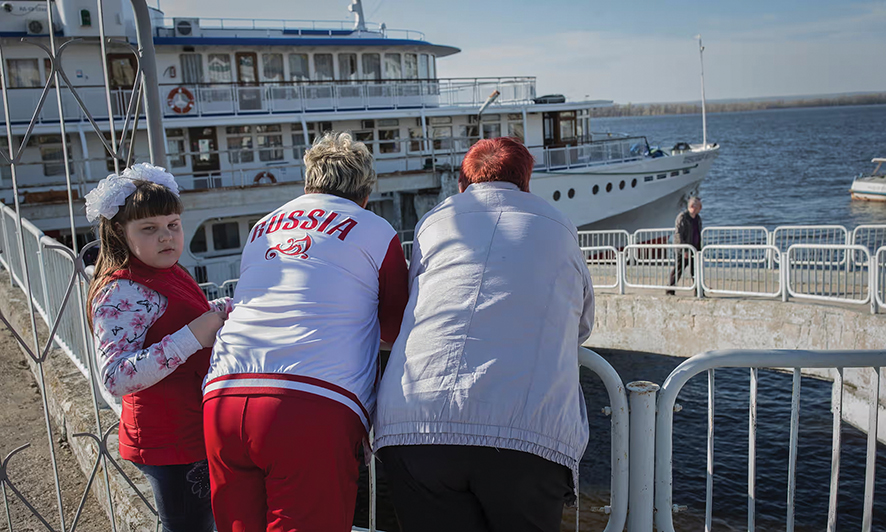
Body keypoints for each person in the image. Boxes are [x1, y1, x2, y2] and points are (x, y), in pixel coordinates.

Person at [374, 137, 595, 532]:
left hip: (415, 425)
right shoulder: (558, 224)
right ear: (526, 182)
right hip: (525, 431)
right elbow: (583, 323)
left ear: (463, 183)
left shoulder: (435, 222)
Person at [203, 131, 409, 532]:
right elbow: (395, 325)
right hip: (310, 401)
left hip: (223, 395)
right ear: (365, 192)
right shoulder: (376, 229)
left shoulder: (262, 226)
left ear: (308, 183)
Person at [85, 163, 230, 532]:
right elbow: (115, 376)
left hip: (185, 430)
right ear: (119, 232)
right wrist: (194, 336)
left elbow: (184, 318)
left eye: (173, 225)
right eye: (149, 229)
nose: (166, 237)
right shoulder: (120, 291)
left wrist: (223, 310)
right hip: (169, 440)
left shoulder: (163, 271)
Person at [666, 196, 703, 295]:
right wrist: (683, 250)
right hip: (683, 249)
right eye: (699, 206)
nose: (701, 208)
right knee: (678, 269)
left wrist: (699, 249)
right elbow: (678, 234)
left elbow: (698, 234)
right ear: (692, 206)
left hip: (694, 248)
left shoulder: (698, 218)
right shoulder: (683, 217)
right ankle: (670, 289)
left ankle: (699, 291)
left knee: (695, 270)